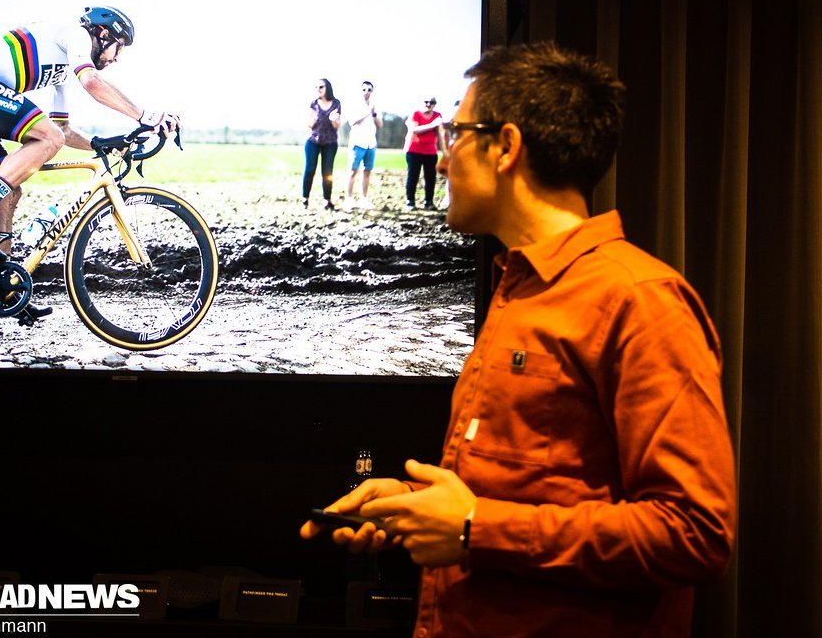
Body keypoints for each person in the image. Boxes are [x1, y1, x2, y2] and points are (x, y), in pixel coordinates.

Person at [301, 42, 737, 637]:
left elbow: (695, 532)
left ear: (505, 147)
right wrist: (413, 506)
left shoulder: (638, 300)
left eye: (455, 135)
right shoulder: (519, 288)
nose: (444, 160)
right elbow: (539, 488)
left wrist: (473, 529)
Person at [0, 6, 178, 318]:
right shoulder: (74, 34)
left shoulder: (62, 69)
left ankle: (4, 288)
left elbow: (63, 129)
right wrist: (145, 116)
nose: (116, 58)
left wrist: (103, 146)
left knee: (7, 191)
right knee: (43, 143)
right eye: (119, 48)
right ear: (103, 35)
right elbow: (91, 85)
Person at [303, 78, 342, 210]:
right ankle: (305, 200)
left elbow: (337, 126)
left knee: (327, 172)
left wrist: (333, 120)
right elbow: (309, 125)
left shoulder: (336, 103)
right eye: (317, 87)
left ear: (327, 88)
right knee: (309, 170)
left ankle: (327, 201)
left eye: (321, 87)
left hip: (330, 142)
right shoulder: (314, 103)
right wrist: (313, 119)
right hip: (313, 141)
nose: (318, 89)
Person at [345, 80, 383, 209]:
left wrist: (374, 113)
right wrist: (367, 111)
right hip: (357, 143)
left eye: (369, 90)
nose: (366, 92)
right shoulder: (355, 105)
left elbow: (380, 125)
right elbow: (352, 122)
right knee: (352, 171)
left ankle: (363, 199)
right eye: (364, 89)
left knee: (367, 172)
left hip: (371, 143)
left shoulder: (375, 106)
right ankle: (349, 199)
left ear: (372, 92)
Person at [404, 96, 444, 210]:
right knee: (413, 176)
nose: (428, 104)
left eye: (431, 102)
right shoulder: (415, 114)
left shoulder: (437, 116)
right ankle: (410, 201)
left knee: (431, 177)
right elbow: (415, 130)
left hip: (431, 152)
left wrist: (444, 151)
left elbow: (440, 133)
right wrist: (432, 125)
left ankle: (429, 201)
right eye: (426, 102)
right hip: (414, 150)